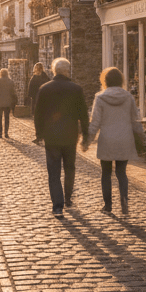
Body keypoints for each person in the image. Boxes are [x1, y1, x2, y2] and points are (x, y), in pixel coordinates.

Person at [33, 58, 89, 218]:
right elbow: (83, 115)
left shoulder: (45, 88)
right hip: (70, 135)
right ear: (67, 71)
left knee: (54, 171)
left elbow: (38, 114)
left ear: (54, 71)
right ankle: (68, 198)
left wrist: (39, 133)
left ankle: (58, 206)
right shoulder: (76, 89)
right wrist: (85, 135)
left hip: (52, 136)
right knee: (70, 168)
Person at [83, 67, 144, 215]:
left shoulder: (100, 97)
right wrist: (141, 137)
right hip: (124, 138)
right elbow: (135, 120)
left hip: (107, 139)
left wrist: (87, 141)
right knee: (121, 172)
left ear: (105, 81)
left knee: (106, 173)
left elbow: (95, 122)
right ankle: (124, 200)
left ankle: (108, 205)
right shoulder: (128, 97)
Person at [27, 62, 51, 144]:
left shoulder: (34, 78)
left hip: (37, 102)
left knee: (37, 120)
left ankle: (39, 137)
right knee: (45, 119)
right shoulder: (46, 78)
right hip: (46, 102)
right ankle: (45, 136)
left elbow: (30, 92)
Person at [0, 67, 18, 139]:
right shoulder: (10, 81)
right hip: (8, 103)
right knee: (7, 118)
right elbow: (13, 93)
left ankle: (0, 133)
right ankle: (6, 133)